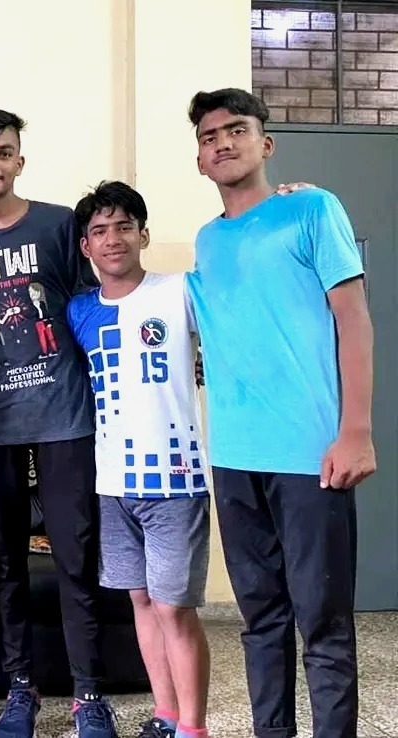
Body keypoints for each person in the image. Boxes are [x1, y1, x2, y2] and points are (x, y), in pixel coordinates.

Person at [186, 88, 375, 738]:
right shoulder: (207, 244)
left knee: (322, 623)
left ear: (264, 143)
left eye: (235, 130)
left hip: (309, 455)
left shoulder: (313, 209)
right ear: (201, 160)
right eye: (209, 137)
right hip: (234, 458)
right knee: (261, 621)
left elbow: (353, 320)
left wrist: (356, 431)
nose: (223, 143)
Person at [0, 109, 116, 738]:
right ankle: (19, 688)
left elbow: (90, 306)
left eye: (3, 152)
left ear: (20, 160)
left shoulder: (59, 224)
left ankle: (88, 695)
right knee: (4, 563)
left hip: (65, 415)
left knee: (77, 557)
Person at [69, 181, 212, 738]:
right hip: (113, 482)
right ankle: (167, 714)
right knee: (141, 602)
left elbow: (244, 312)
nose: (113, 240)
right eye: (100, 231)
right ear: (86, 247)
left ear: (143, 234)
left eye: (124, 227)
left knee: (175, 608)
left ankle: (193, 728)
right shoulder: (80, 311)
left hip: (176, 480)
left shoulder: (182, 291)